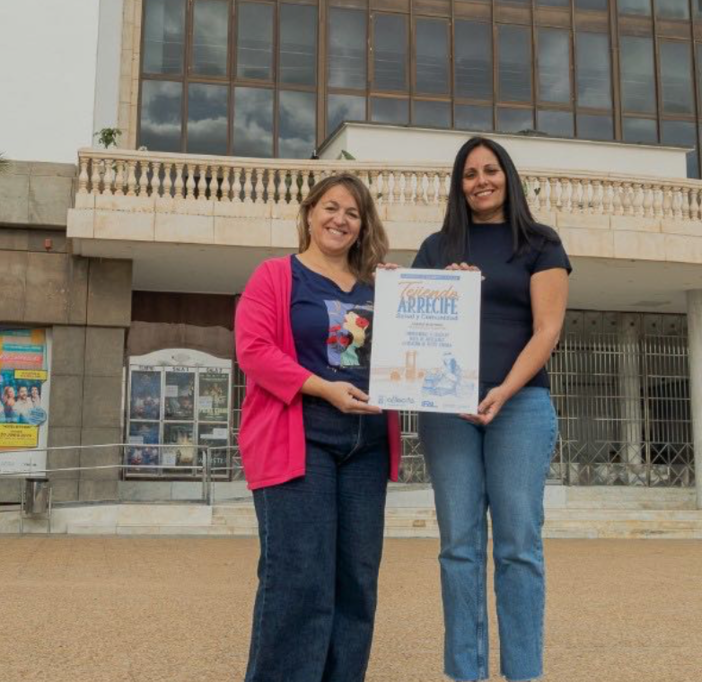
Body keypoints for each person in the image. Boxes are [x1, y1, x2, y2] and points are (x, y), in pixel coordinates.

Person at [412, 137, 571, 682]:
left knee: (518, 546)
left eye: (490, 170)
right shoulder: (437, 247)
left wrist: (503, 390)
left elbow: (547, 330)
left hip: (519, 405)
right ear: (459, 185)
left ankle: (523, 674)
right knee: (458, 546)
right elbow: (412, 317)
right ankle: (466, 673)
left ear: (508, 176)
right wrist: (437, 285)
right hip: (447, 409)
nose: (481, 181)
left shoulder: (540, 243)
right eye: (470, 173)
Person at [234, 173, 402, 682]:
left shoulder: (379, 287)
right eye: (331, 207)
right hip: (301, 435)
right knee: (298, 576)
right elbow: (253, 350)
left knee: (356, 582)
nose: (340, 220)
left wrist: (412, 296)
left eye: (353, 213)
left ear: (363, 226)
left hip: (367, 445)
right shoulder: (275, 275)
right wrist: (323, 388)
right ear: (309, 213)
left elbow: (418, 351)